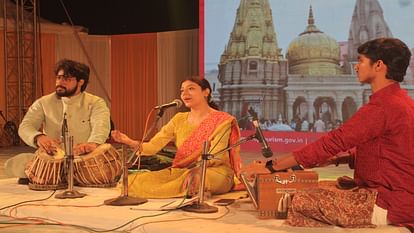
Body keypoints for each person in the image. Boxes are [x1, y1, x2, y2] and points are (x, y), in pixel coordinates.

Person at [245, 38, 414, 228]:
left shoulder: (383, 107)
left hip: (389, 203)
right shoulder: (402, 101)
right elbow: (388, 152)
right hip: (401, 197)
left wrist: (271, 166)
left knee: (299, 199)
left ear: (379, 65)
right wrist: (337, 159)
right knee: (321, 185)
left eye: (360, 61)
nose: (356, 67)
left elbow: (332, 142)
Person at [111, 77, 241, 198]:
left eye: (191, 88)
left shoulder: (222, 120)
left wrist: (199, 169)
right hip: (183, 171)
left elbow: (216, 155)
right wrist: (127, 141)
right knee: (134, 181)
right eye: (182, 90)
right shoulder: (178, 119)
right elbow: (151, 147)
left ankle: (197, 189)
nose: (185, 93)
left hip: (215, 171)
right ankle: (195, 192)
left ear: (206, 92)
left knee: (197, 179)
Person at [4, 59, 111, 183]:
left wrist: (92, 144)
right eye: (58, 78)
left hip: (84, 159)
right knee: (13, 164)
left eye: (67, 79)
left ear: (80, 82)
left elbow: (101, 126)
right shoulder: (43, 102)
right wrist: (39, 137)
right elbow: (26, 126)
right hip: (53, 158)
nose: (60, 82)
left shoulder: (95, 103)